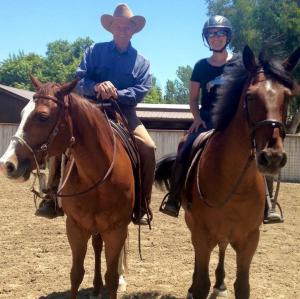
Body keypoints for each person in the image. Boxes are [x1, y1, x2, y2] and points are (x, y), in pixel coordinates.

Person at [36, 3, 156, 225]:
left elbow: (140, 91)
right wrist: (96, 87)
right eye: (118, 25)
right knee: (59, 136)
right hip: (89, 110)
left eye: (127, 26)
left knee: (148, 147)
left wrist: (116, 93)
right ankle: (51, 197)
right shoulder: (94, 51)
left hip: (124, 111)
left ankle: (141, 204)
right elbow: (79, 79)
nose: (122, 29)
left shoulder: (142, 62)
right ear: (111, 28)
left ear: (133, 30)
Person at [160, 15, 283, 224]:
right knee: (185, 144)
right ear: (206, 38)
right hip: (207, 119)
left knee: (260, 150)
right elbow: (192, 99)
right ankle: (174, 198)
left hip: (233, 120)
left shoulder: (239, 63)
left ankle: (268, 203)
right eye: (211, 34)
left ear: (228, 36)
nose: (215, 37)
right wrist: (197, 118)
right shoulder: (200, 67)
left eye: (220, 33)